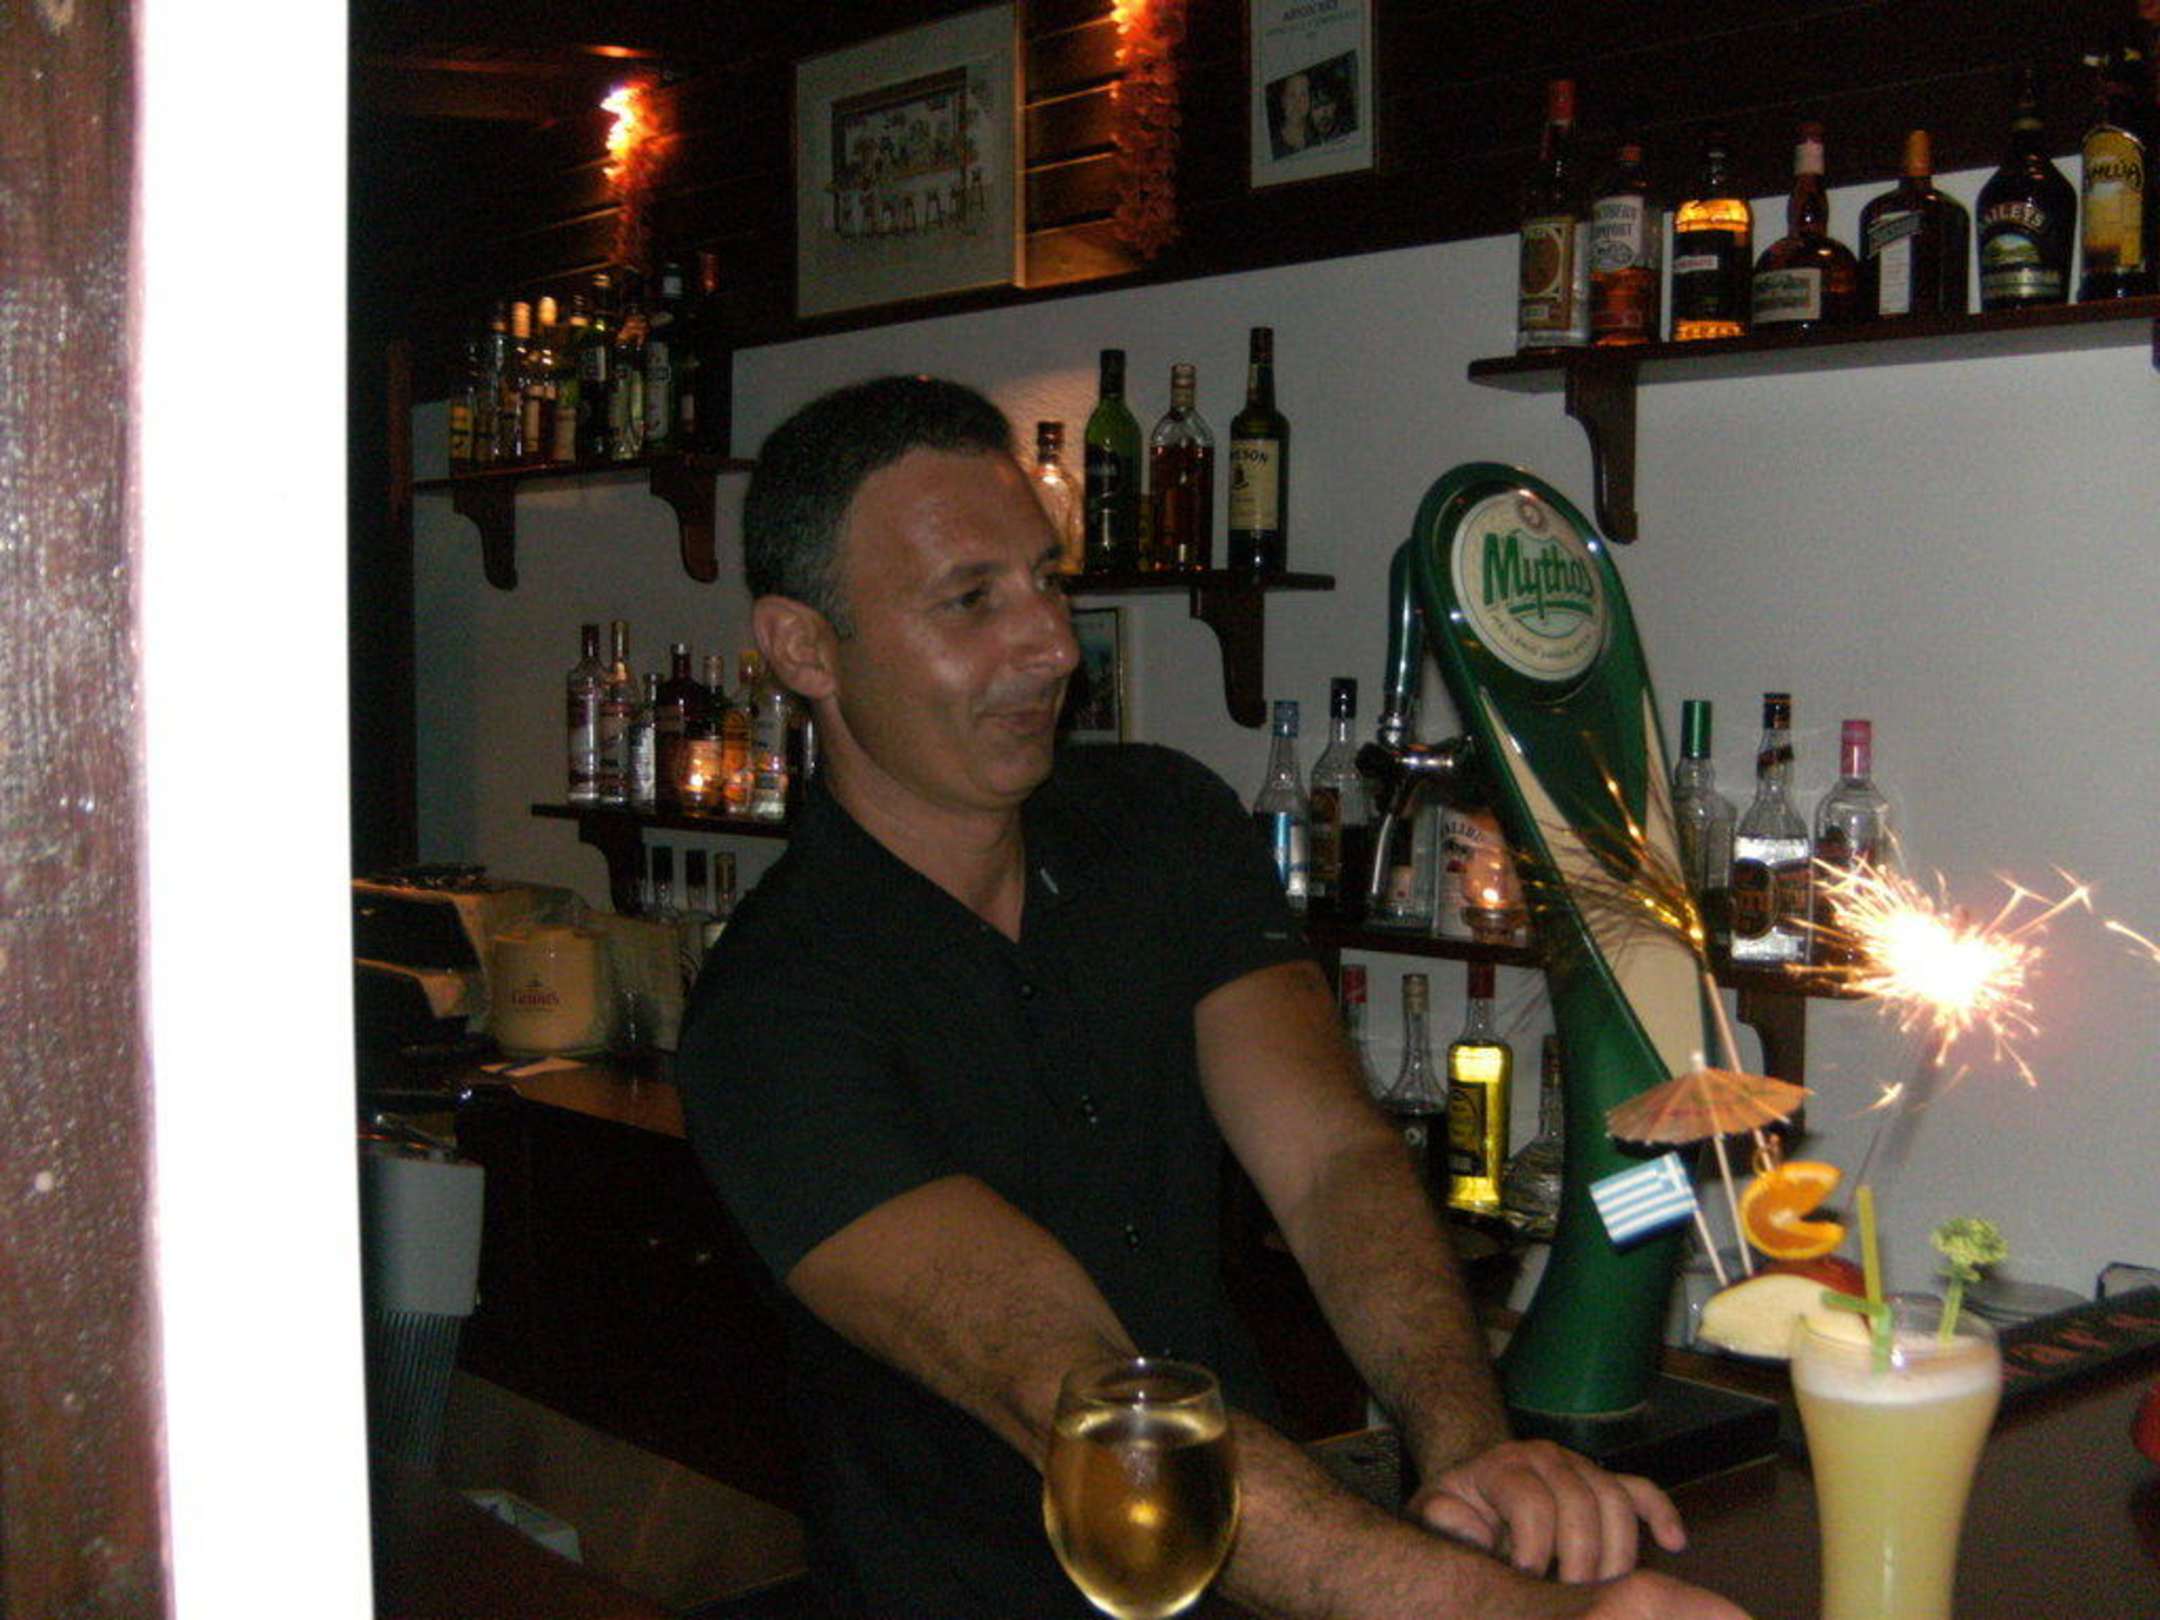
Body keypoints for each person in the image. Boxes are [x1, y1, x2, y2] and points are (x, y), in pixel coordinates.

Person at [674, 376, 1748, 1620]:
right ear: (803, 648)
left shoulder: (1163, 822)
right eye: (971, 600)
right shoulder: (770, 1015)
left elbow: (1332, 1161)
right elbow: (1082, 1403)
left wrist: (1470, 1449)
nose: (1052, 645)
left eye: (1046, 581)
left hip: (1255, 1572)